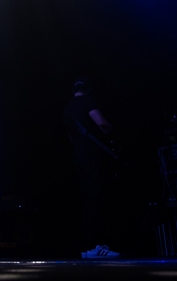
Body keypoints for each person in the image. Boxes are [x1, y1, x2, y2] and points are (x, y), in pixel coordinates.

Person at [62, 76, 121, 259]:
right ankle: (95, 245)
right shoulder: (88, 100)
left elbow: (71, 137)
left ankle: (88, 247)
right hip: (93, 155)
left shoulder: (67, 108)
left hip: (79, 155)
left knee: (88, 199)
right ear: (87, 89)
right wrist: (114, 132)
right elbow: (101, 122)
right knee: (98, 198)